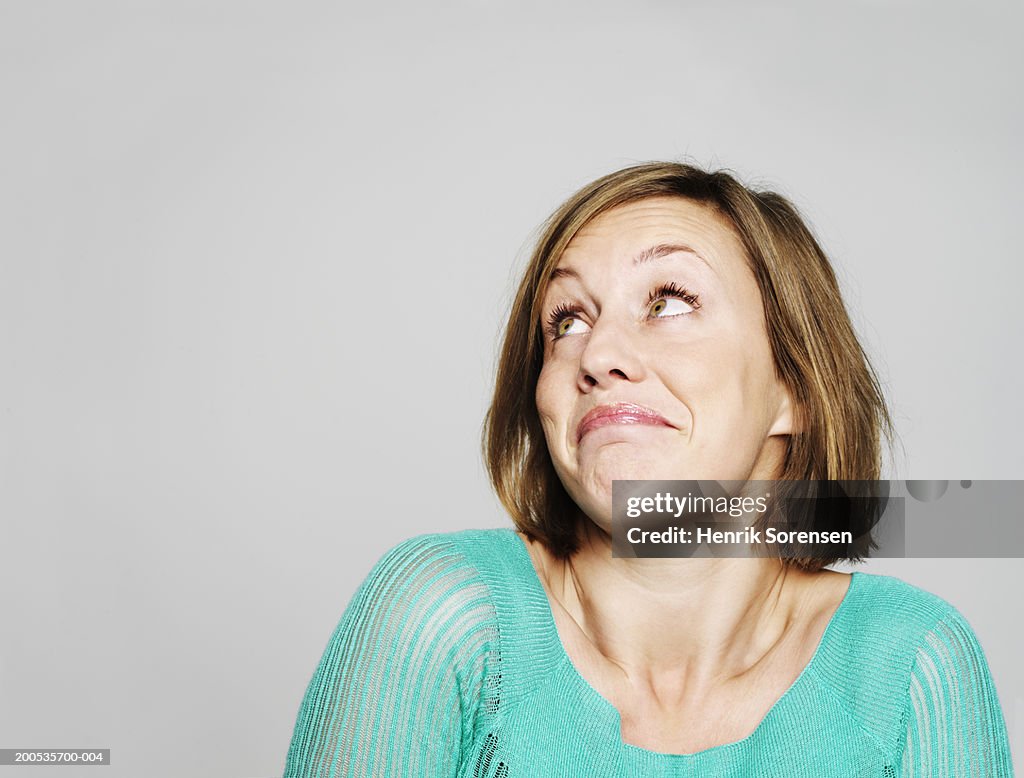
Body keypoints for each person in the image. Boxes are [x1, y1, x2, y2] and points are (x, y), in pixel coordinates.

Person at [282, 162, 1014, 777]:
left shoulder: (912, 663)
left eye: (668, 301)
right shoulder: (442, 615)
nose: (596, 355)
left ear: (792, 386)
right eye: (566, 319)